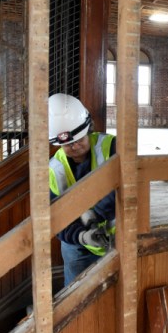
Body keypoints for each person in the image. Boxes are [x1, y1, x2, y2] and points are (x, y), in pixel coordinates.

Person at [48, 93, 116, 287]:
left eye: (79, 139)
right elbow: (56, 218)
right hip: (77, 245)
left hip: (119, 236)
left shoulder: (111, 147)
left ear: (89, 129)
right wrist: (82, 236)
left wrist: (95, 215)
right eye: (68, 144)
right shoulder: (54, 170)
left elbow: (127, 187)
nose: (75, 146)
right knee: (77, 295)